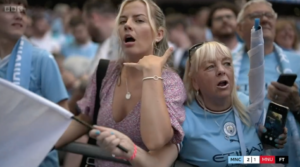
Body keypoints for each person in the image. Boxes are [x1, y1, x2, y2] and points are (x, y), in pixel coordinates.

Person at [88, 41, 287, 167]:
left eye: (226, 63)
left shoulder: (247, 103)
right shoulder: (184, 117)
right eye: (210, 66)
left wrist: (267, 148)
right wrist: (130, 148)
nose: (221, 70)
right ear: (194, 81)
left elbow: (268, 159)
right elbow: (157, 164)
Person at [55, 0, 186, 166]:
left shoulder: (170, 82)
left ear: (159, 34)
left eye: (139, 20)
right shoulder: (105, 72)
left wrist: (152, 74)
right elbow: (86, 118)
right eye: (123, 21)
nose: (127, 25)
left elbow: (156, 141)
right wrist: (42, 143)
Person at [0, 1, 69, 167]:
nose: (18, 15)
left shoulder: (42, 59)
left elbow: (63, 117)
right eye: (10, 10)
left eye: (23, 12)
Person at [235, 0, 300, 166]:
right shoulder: (224, 63)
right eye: (256, 16)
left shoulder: (297, 62)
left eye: (269, 15)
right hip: (240, 155)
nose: (264, 20)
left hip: (288, 157)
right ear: (240, 29)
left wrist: (296, 105)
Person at [82, 0, 120, 76]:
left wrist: (78, 83)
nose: (86, 28)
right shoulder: (106, 43)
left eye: (85, 22)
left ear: (94, 18)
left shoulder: (122, 40)